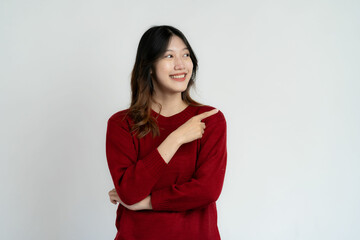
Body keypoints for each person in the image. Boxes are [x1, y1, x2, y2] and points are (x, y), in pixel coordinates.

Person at [105, 25, 227, 240]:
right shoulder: (121, 124)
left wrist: (146, 202)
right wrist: (177, 138)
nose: (180, 64)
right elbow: (130, 192)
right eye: (168, 56)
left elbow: (207, 190)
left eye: (186, 55)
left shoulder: (210, 120)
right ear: (149, 66)